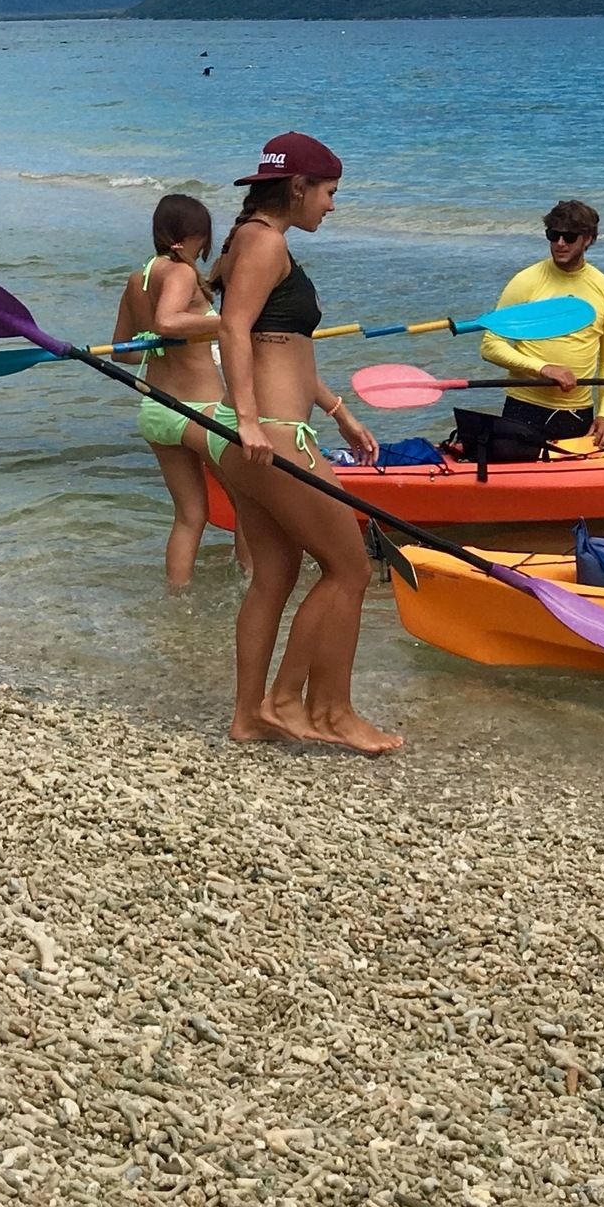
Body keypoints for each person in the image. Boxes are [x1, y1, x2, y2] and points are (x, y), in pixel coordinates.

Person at [210, 131, 391, 753]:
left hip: (256, 437)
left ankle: (247, 715)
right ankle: (315, 708)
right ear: (298, 186)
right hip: (273, 437)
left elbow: (280, 349)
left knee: (276, 573)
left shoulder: (248, 238)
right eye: (329, 192)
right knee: (351, 569)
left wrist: (340, 412)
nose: (332, 205)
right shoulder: (266, 242)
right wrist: (250, 420)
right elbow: (233, 330)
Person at [111, 193, 243, 594]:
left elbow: (124, 352)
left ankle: (177, 598)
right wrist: (230, 322)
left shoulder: (139, 279)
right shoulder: (181, 273)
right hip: (201, 411)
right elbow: (168, 322)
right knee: (250, 507)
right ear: (190, 237)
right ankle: (253, 588)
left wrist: (158, 347)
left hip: (157, 409)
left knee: (190, 515)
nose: (202, 252)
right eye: (202, 242)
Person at [473, 197, 604, 454]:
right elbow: (490, 345)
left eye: (569, 237)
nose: (560, 243)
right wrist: (542, 368)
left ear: (588, 239)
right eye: (553, 235)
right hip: (524, 407)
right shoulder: (526, 281)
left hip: (577, 414)